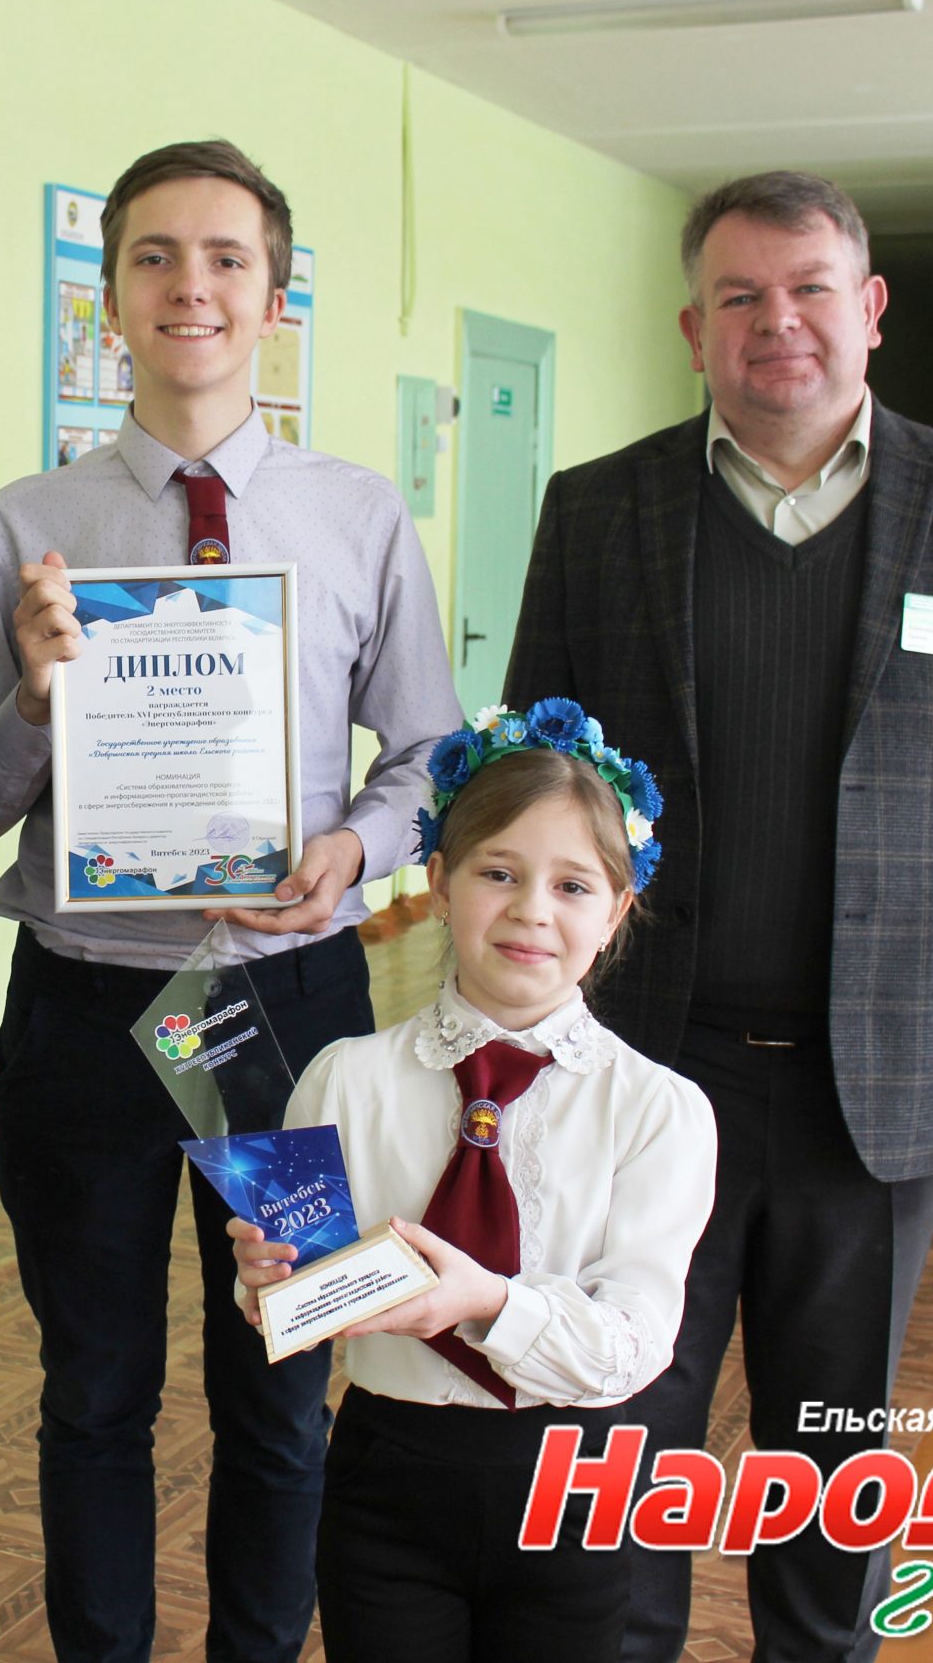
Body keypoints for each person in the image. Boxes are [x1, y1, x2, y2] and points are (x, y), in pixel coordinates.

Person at [503, 170, 933, 1661]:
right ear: (693, 327)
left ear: (870, 308)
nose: (778, 321)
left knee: (832, 1458)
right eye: (740, 296)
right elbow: (526, 807)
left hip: (877, 1086)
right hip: (644, 1071)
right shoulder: (599, 509)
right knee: (618, 1433)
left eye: (810, 288)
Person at [0, 139, 459, 1662]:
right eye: (155, 258)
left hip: (284, 1017)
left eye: (227, 258)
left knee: (284, 1379)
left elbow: (431, 753)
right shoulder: (27, 524)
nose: (192, 287)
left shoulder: (356, 514)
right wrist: (35, 695)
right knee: (93, 1393)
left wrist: (359, 848)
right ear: (108, 298)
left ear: (273, 295)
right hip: (87, 1015)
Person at [230, 700, 716, 1662]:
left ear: (617, 913)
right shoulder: (340, 1077)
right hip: (386, 1480)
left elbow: (634, 1343)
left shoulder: (660, 1110)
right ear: (440, 883)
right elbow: (288, 1303)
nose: (532, 908)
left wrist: (486, 1301)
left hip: (573, 1485)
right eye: (499, 872)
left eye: (573, 885)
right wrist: (268, 1280)